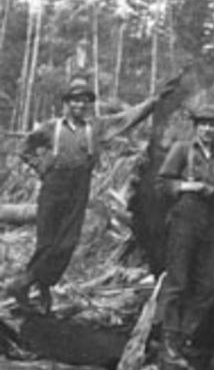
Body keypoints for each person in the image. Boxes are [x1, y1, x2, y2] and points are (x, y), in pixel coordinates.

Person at [7, 74, 163, 313]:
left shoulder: (97, 127)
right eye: (75, 101)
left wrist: (154, 101)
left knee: (67, 243)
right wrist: (41, 167)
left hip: (79, 187)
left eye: (84, 101)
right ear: (67, 103)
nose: (79, 105)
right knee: (46, 242)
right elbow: (24, 148)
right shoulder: (52, 127)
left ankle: (26, 282)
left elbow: (126, 118)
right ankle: (39, 289)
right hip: (53, 187)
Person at [156, 100, 214, 369]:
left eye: (213, 125)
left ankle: (184, 336)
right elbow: (162, 184)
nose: (208, 129)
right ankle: (168, 343)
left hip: (209, 222)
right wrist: (191, 185)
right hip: (184, 217)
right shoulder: (182, 149)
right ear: (195, 127)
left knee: (210, 286)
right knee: (177, 282)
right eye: (204, 124)